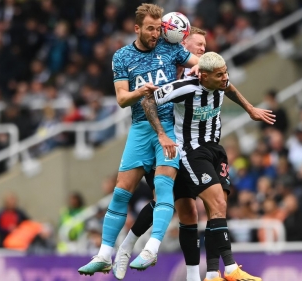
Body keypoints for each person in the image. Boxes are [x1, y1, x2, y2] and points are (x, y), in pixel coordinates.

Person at [78, 3, 200, 277]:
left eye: (158, 28)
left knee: (163, 185)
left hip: (168, 128)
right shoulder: (122, 57)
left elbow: (198, 63)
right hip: (140, 128)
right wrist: (140, 91)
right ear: (137, 29)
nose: (156, 33)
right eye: (150, 28)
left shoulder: (170, 49)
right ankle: (103, 255)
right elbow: (122, 99)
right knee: (121, 191)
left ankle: (151, 248)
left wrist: (199, 68)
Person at [141, 52, 274, 281]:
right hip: (191, 152)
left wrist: (250, 109)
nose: (225, 78)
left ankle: (213, 273)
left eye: (226, 73)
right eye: (220, 75)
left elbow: (230, 88)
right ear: (204, 76)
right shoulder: (185, 87)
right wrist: (161, 134)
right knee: (216, 203)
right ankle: (231, 268)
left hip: (215, 149)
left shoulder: (220, 81)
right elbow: (148, 100)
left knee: (218, 210)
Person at [114, 26, 209, 281]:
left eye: (205, 47)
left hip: (187, 147)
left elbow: (218, 75)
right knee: (165, 200)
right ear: (182, 42)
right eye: (198, 44)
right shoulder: (163, 65)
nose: (202, 49)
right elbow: (146, 101)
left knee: (187, 209)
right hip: (161, 144)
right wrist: (159, 135)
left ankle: (132, 248)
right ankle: (138, 247)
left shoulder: (197, 73)